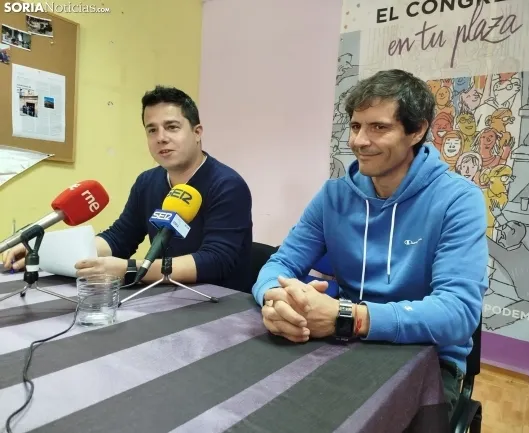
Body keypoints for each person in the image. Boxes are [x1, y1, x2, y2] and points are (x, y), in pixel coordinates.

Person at [252, 70, 489, 418]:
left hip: (430, 361)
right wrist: (276, 300)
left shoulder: (458, 200)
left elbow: (457, 314)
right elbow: (280, 264)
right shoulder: (334, 195)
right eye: (355, 126)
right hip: (344, 343)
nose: (359, 141)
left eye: (378, 127)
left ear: (417, 131)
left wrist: (348, 318)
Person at [3, 85, 254, 293]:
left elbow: (215, 261)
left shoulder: (227, 185)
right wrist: (43, 251)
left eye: (172, 127)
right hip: (165, 294)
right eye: (152, 130)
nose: (161, 137)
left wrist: (129, 269)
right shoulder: (147, 182)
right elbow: (119, 238)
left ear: (197, 132)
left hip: (220, 301)